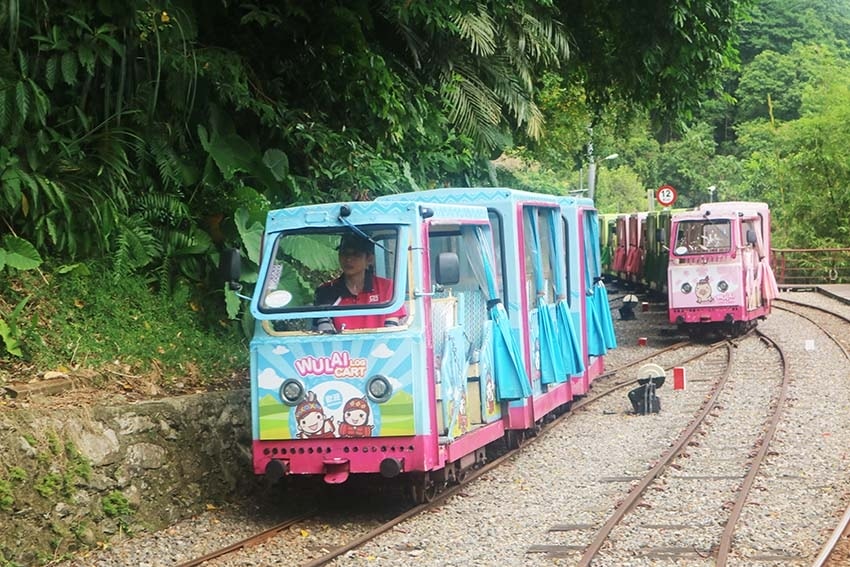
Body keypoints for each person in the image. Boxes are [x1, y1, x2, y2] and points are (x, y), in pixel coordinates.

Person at [314, 233, 406, 332]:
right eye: (344, 253)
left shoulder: (388, 287)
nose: (348, 259)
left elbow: (391, 330)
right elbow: (324, 331)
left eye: (356, 254)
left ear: (369, 259)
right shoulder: (326, 290)